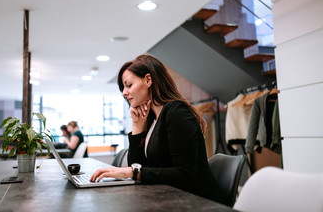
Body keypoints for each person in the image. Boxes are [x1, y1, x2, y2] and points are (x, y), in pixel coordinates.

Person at [90, 54, 224, 203]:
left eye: (128, 85)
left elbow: (185, 174)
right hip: (171, 198)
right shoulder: (153, 119)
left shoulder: (176, 112)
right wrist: (137, 126)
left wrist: (132, 172)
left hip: (198, 202)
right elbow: (138, 165)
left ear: (148, 80)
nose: (124, 93)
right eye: (123, 88)